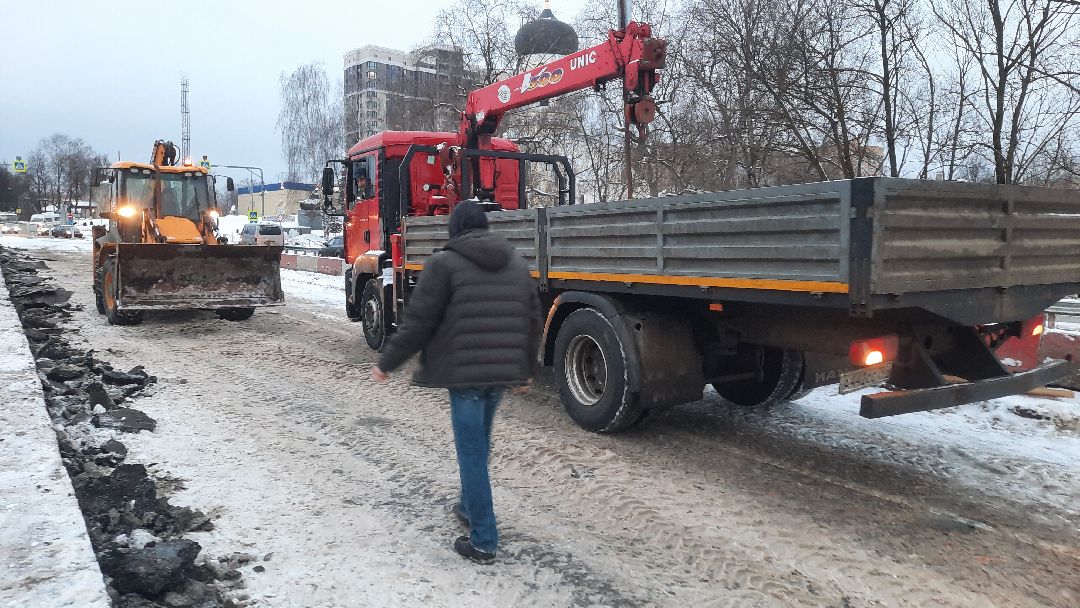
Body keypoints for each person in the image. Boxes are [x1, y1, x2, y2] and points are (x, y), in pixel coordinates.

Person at [371, 200, 542, 564]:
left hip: (464, 376)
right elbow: (532, 319)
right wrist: (526, 369)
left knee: (472, 454)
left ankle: (483, 540)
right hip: (498, 375)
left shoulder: (443, 263)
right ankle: (468, 505)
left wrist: (388, 361)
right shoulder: (514, 262)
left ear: (455, 230)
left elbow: (420, 321)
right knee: (479, 446)